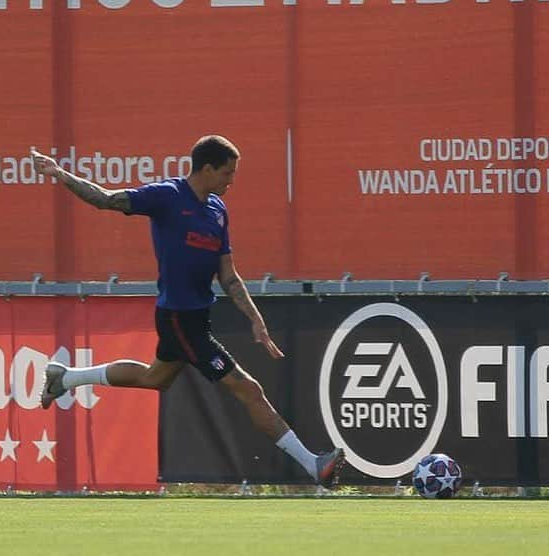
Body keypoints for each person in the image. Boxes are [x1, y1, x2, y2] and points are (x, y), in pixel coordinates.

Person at [31, 135, 344, 485]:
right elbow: (105, 199)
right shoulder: (166, 197)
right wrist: (60, 173)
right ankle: (313, 465)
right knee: (250, 389)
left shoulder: (217, 210)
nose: (231, 181)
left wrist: (255, 319)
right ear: (206, 168)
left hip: (196, 317)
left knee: (155, 378)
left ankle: (66, 377)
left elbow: (228, 275)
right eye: (227, 173)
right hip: (179, 318)